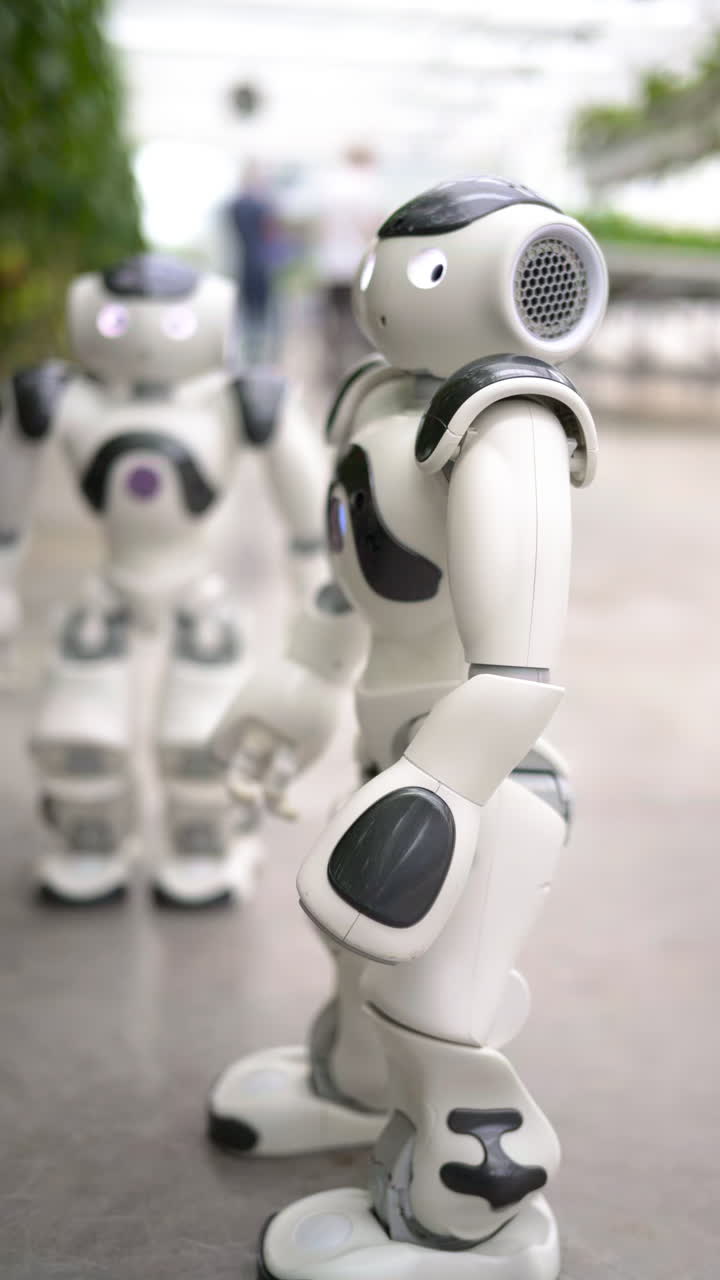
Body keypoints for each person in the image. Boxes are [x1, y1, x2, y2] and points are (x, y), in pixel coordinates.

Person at [226, 163, 279, 365]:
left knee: (245, 315)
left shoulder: (235, 206)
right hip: (260, 265)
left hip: (243, 263)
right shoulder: (262, 205)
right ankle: (260, 357)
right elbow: (270, 233)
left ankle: (247, 357)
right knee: (263, 315)